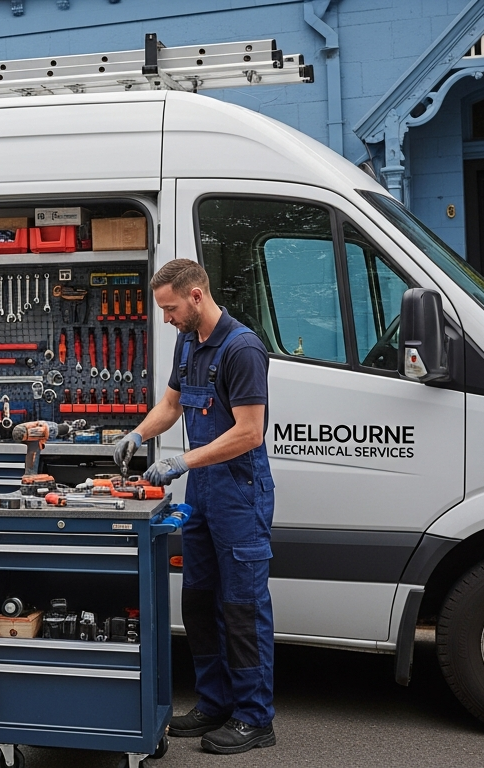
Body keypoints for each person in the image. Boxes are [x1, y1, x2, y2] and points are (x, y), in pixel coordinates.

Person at [110, 258, 276, 755]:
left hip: (240, 494)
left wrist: (180, 462)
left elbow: (249, 432)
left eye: (169, 308)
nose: (165, 318)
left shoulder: (241, 348)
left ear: (196, 296)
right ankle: (214, 702)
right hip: (203, 494)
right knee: (199, 602)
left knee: (242, 608)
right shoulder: (189, 342)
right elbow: (171, 404)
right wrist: (137, 433)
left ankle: (254, 717)